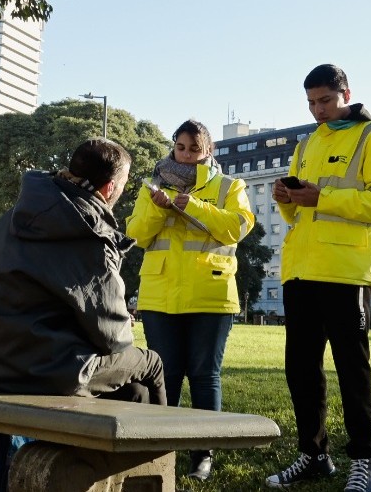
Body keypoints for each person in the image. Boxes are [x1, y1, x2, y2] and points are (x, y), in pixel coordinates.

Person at [267, 64, 371, 492]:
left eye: (324, 100)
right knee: (300, 369)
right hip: (301, 269)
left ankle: (364, 460)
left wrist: (322, 195)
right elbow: (301, 210)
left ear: (346, 93)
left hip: (345, 272)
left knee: (351, 369)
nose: (317, 110)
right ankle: (313, 454)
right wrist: (287, 198)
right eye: (310, 103)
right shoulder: (306, 143)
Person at [0, 138, 165, 403]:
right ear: (110, 188)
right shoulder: (88, 234)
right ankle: (166, 442)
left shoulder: (13, 218)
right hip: (52, 372)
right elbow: (114, 338)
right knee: (152, 363)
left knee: (134, 392)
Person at [127, 119, 255, 482]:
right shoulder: (151, 185)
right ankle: (163, 448)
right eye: (180, 147)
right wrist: (157, 207)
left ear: (208, 150)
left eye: (194, 149)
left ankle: (203, 452)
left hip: (210, 294)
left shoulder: (231, 186)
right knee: (165, 375)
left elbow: (239, 227)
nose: (186, 155)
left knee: (204, 374)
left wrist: (192, 205)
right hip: (159, 293)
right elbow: (136, 233)